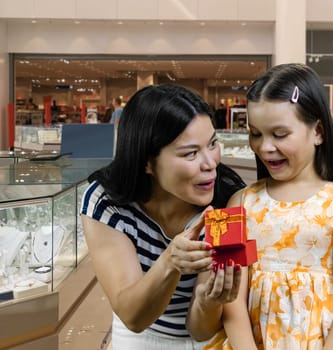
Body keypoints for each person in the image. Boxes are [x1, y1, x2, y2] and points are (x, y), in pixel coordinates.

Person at [202, 63, 333, 349]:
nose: (264, 147)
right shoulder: (235, 203)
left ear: (318, 132)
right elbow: (231, 301)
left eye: (279, 134)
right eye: (255, 133)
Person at [81, 83, 246, 349]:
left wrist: (208, 300)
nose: (211, 163)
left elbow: (202, 330)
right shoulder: (106, 202)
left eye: (212, 144)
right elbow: (133, 316)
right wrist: (170, 262)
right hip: (138, 334)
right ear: (147, 161)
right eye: (191, 153)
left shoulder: (228, 199)